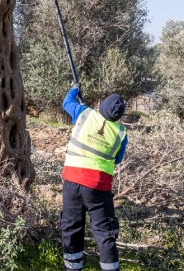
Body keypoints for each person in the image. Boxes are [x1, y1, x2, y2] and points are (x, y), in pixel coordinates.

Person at [60, 82, 128, 271]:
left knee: (72, 228)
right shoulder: (121, 133)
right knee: (105, 233)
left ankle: (73, 268)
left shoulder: (84, 113)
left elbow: (67, 102)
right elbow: (117, 159)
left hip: (72, 182)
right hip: (99, 188)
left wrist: (75, 88)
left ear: (100, 106)